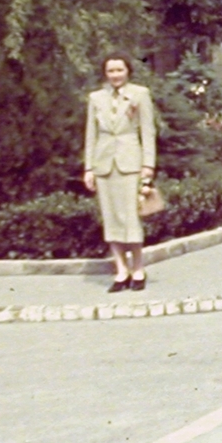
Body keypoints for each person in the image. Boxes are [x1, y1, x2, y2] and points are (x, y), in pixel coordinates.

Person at [84, 53, 157, 292]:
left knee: (131, 218)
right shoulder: (96, 98)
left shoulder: (139, 94)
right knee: (111, 218)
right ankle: (120, 270)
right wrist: (89, 168)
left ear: (128, 71)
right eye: (111, 71)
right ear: (105, 73)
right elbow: (90, 135)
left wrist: (148, 164)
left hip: (130, 163)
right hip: (104, 165)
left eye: (119, 70)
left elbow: (147, 131)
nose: (115, 75)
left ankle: (138, 268)